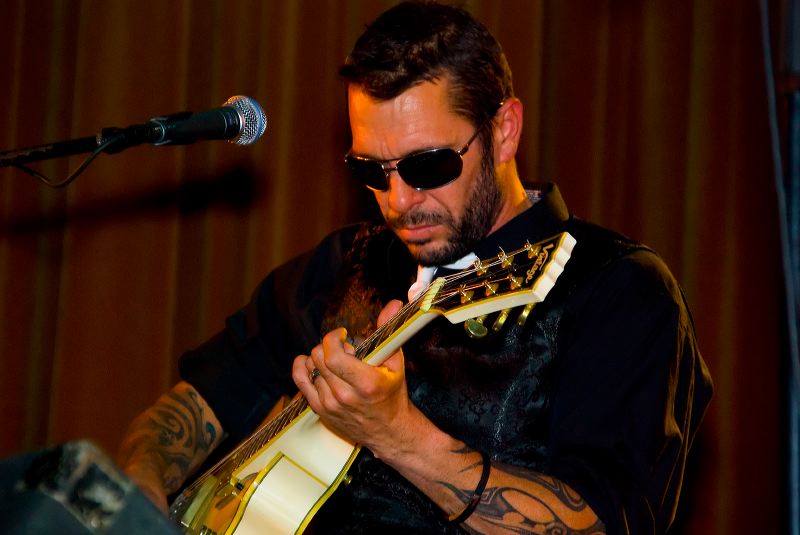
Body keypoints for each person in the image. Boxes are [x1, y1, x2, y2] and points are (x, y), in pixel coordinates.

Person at [117, 2, 712, 534]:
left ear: (504, 132)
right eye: (371, 171)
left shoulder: (616, 288)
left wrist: (398, 434)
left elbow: (602, 525)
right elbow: (192, 406)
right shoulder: (347, 261)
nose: (399, 201)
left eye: (427, 165)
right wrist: (137, 500)